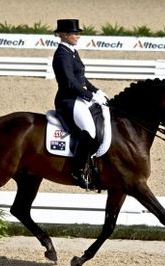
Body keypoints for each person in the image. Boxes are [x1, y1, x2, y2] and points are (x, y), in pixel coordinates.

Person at [52, 19, 108, 189]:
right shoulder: (62, 54)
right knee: (89, 132)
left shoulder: (72, 52)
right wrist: (90, 95)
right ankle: (77, 170)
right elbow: (70, 82)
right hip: (68, 100)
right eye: (74, 33)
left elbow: (81, 79)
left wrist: (97, 91)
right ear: (64, 35)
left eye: (78, 33)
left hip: (78, 97)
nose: (77, 36)